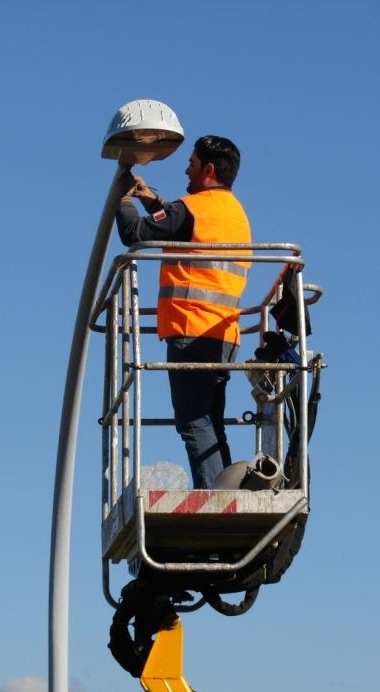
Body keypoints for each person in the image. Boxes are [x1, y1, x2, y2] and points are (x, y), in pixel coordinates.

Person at [116, 135, 251, 489]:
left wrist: (124, 197)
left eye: (190, 163)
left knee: (193, 421)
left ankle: (216, 499)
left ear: (208, 169)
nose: (185, 169)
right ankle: (228, 491)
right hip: (224, 334)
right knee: (211, 420)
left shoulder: (192, 207)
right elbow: (181, 225)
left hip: (191, 330)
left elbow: (134, 233)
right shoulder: (234, 213)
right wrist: (153, 200)